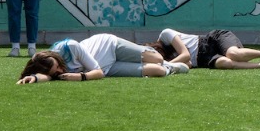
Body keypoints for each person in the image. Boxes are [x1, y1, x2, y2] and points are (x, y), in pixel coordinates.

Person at [17, 33, 181, 83]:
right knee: (159, 71)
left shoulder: (70, 46)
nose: (60, 70)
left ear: (55, 57)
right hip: (107, 68)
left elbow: (97, 72)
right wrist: (34, 78)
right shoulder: (49, 67)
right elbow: (46, 75)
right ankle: (173, 67)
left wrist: (81, 77)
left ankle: (148, 50)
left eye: (59, 65)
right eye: (56, 72)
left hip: (109, 46)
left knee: (158, 59)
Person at [153, 28, 260, 70]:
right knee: (225, 63)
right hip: (204, 60)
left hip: (211, 40)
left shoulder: (165, 35)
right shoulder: (166, 59)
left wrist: (166, 65)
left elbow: (186, 54)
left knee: (233, 54)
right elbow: (187, 64)